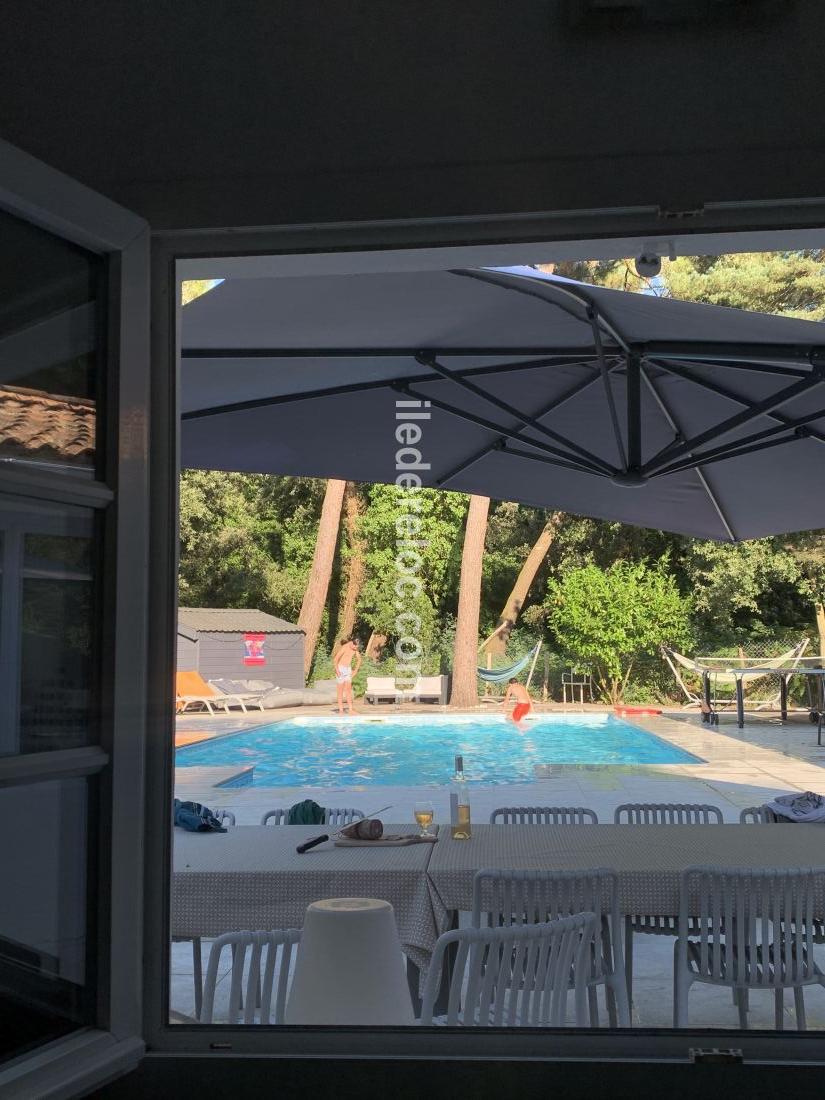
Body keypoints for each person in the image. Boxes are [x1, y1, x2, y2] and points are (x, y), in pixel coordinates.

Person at [332, 637, 362, 715]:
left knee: (348, 691)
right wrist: (337, 671)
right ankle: (341, 710)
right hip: (341, 669)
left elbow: (359, 659)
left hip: (348, 669)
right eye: (355, 646)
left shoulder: (355, 648)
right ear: (352, 643)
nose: (356, 648)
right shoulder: (344, 647)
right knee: (340, 691)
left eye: (357, 647)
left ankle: (350, 709)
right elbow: (335, 659)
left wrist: (355, 671)